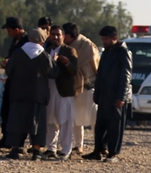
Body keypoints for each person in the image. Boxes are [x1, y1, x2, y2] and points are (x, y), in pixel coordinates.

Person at [4, 28, 58, 160]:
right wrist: (54, 60)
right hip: (38, 95)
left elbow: (9, 70)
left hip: (18, 93)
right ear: (42, 40)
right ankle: (36, 151)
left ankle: (15, 149)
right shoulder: (44, 55)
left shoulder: (18, 53)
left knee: (17, 121)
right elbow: (53, 73)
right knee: (37, 122)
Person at [82, 26, 132, 163]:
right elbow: (100, 74)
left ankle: (113, 153)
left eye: (106, 39)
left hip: (116, 96)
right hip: (104, 95)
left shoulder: (123, 52)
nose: (104, 41)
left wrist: (121, 96)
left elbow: (125, 76)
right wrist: (97, 92)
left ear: (114, 38)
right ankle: (98, 150)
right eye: (102, 39)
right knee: (101, 125)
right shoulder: (107, 52)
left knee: (115, 126)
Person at [63, 23, 99, 156]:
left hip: (89, 85)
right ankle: (78, 145)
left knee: (94, 117)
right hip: (73, 87)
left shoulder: (87, 45)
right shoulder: (66, 48)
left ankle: (99, 145)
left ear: (69, 35)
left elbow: (94, 64)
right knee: (75, 117)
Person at [0, 16, 28, 149]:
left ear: (17, 29)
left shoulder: (27, 42)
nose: (8, 33)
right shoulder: (15, 41)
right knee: (6, 110)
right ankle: (6, 137)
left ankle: (17, 141)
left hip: (21, 83)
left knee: (18, 112)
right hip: (11, 80)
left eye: (9, 30)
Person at [44, 25, 78, 160]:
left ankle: (65, 150)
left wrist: (67, 62)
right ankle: (50, 148)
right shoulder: (46, 51)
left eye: (58, 35)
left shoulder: (70, 51)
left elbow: (74, 71)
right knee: (50, 120)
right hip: (49, 90)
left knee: (65, 121)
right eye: (53, 34)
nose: (55, 37)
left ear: (63, 36)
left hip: (64, 91)